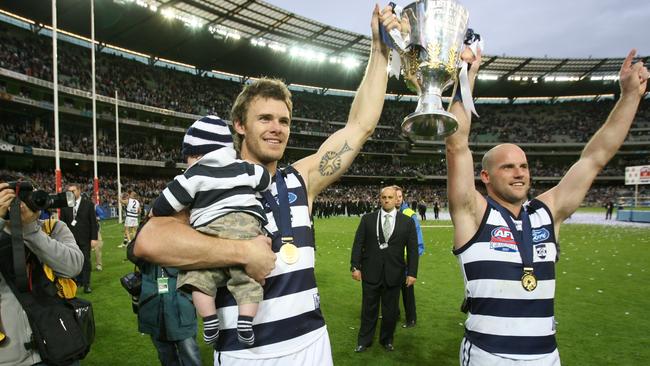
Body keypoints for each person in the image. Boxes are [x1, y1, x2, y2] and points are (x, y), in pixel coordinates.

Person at [133, 5, 395, 364]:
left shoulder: (299, 179)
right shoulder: (210, 184)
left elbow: (360, 126)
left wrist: (379, 51)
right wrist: (242, 253)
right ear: (240, 125)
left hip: (312, 346)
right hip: (246, 355)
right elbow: (148, 241)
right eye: (266, 118)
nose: (277, 127)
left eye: (284, 121)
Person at [446, 48, 648, 365]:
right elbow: (456, 144)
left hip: (547, 357)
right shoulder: (474, 213)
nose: (519, 172)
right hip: (489, 356)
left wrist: (630, 96)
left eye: (524, 166)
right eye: (508, 167)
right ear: (485, 176)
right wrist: (465, 76)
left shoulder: (547, 211)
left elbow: (595, 157)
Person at [151, 115, 271, 347]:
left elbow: (162, 206)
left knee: (198, 278)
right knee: (247, 280)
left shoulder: (193, 174)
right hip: (247, 229)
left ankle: (209, 319)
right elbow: (265, 179)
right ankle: (246, 321)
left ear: (196, 154)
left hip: (211, 230)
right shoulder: (245, 167)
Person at [0, 180, 84, 366]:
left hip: (59, 342)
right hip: (11, 356)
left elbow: (73, 266)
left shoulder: (52, 227)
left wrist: (30, 230)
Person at [350, 186, 418, 352]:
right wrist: (355, 266)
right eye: (384, 197)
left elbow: (413, 249)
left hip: (394, 274)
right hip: (370, 272)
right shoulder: (368, 219)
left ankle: (387, 340)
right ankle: (364, 341)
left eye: (390, 197)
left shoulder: (407, 222)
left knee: (390, 312)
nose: (387, 200)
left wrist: (412, 273)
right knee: (368, 309)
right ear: (379, 199)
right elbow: (358, 243)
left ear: (397, 200)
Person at [127, 238, 202, 366]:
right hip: (154, 308)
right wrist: (147, 227)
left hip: (180, 306)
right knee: (165, 355)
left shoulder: (182, 231)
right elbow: (132, 253)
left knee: (189, 354)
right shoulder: (148, 231)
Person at [393, 186, 424, 328]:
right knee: (391, 288)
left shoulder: (409, 214)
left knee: (407, 290)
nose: (398, 199)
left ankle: (411, 318)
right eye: (395, 196)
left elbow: (417, 238)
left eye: (400, 196)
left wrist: (413, 259)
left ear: (402, 197)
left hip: (405, 260)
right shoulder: (388, 213)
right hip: (392, 259)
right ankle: (394, 314)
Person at [60, 183, 98, 293]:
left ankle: (87, 284)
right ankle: (77, 281)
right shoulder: (65, 205)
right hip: (70, 240)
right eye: (69, 191)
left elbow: (93, 223)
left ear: (79, 191)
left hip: (85, 238)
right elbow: (62, 224)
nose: (71, 193)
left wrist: (94, 238)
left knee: (85, 261)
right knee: (72, 262)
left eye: (73, 191)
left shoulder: (88, 205)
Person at [93, 203, 106, 271]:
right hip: (84, 230)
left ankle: (99, 264)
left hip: (95, 230)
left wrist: (96, 218)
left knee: (98, 247)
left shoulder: (95, 207)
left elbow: (103, 215)